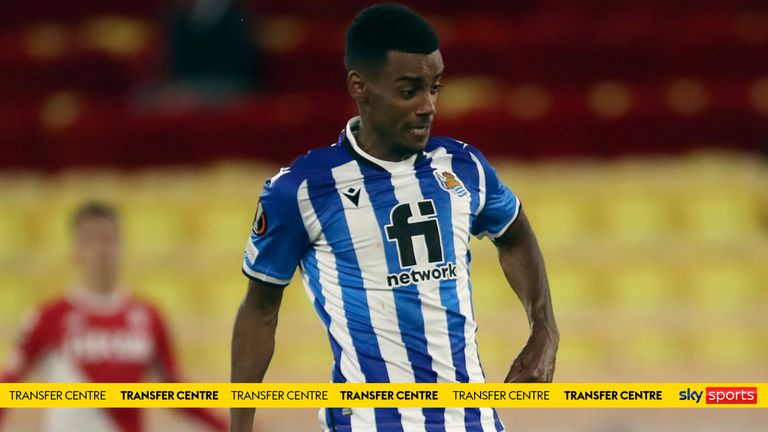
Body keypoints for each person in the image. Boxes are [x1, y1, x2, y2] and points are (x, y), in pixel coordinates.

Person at [231, 4, 558, 431]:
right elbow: (259, 311)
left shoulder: (462, 166)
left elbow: (514, 234)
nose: (428, 106)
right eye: (410, 91)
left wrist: (543, 329)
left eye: (434, 88)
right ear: (360, 87)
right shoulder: (302, 189)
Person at [0, 201, 226, 432]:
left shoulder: (148, 316)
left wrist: (227, 425)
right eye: (91, 240)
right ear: (75, 250)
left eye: (108, 238)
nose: (102, 250)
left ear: (121, 245)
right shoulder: (48, 317)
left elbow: (174, 389)